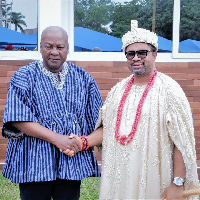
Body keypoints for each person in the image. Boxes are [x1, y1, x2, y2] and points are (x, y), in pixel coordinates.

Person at [64, 20, 200, 199]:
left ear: (155, 54)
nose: (136, 58)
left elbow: (181, 142)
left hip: (155, 178)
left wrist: (177, 183)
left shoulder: (170, 91)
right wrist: (84, 142)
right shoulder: (117, 90)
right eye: (130, 54)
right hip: (119, 178)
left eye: (142, 53)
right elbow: (111, 129)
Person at [1, 26, 103, 200]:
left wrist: (81, 142)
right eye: (49, 46)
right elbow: (18, 118)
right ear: (40, 48)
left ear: (68, 49)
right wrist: (59, 139)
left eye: (60, 47)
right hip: (33, 162)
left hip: (70, 163)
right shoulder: (23, 76)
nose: (54, 52)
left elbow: (101, 122)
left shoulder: (84, 79)